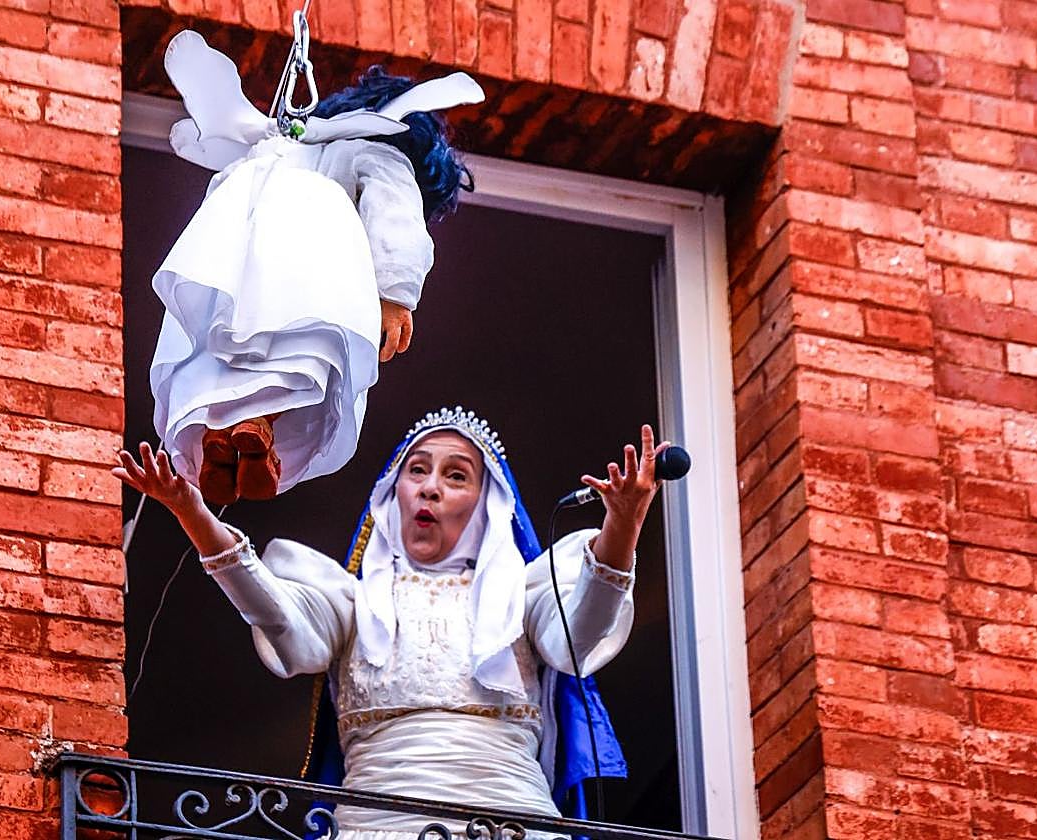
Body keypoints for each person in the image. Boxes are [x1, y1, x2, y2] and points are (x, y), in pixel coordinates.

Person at [113, 407, 666, 834]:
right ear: (394, 495)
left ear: (485, 503)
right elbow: (275, 614)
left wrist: (623, 526)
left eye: (455, 476)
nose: (429, 487)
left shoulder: (521, 600)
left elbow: (581, 635)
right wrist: (194, 513)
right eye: (417, 471)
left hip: (512, 827)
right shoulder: (353, 604)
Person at [149, 30, 484, 505]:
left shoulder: (272, 152)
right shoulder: (377, 150)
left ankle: (219, 434)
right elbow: (395, 215)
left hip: (239, 274)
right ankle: (256, 428)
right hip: (312, 268)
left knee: (227, 350)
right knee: (302, 356)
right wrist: (395, 294)